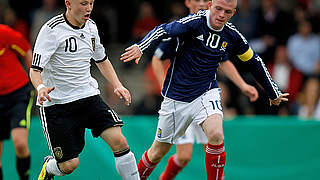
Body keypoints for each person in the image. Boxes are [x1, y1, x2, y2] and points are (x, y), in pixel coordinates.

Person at [120, 0, 289, 179]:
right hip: (177, 97)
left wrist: (272, 91)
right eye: (218, 9)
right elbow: (163, 30)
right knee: (157, 153)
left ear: (234, 12)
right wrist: (141, 46)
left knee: (216, 135)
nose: (222, 15)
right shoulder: (192, 23)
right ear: (210, 6)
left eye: (228, 12)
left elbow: (253, 60)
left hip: (206, 93)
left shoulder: (231, 34)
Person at [30, 0, 139, 179]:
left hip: (88, 96)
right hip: (57, 105)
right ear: (68, 4)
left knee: (119, 141)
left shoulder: (91, 27)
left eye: (91, 3)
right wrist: (41, 87)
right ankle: (49, 167)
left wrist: (118, 85)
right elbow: (35, 69)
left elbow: (101, 59)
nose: (88, 8)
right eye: (83, 3)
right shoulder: (51, 30)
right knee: (69, 165)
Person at [151, 0, 258, 179]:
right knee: (184, 156)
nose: (201, 3)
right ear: (187, 3)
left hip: (203, 97)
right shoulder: (181, 27)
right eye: (197, 0)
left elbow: (224, 61)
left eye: (204, 0)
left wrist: (243, 85)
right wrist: (165, 87)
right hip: (181, 98)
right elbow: (157, 58)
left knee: (214, 140)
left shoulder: (214, 29)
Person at [0, 24, 33, 180]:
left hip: (18, 95)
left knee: (19, 144)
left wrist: (37, 81)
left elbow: (26, 51)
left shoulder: (4, 33)